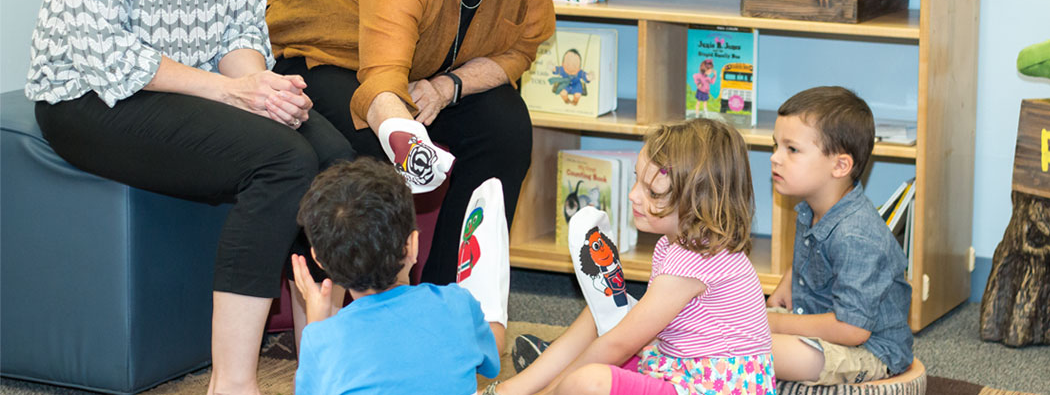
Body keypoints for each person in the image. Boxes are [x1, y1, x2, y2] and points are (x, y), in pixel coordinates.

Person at [23, 0, 352, 392]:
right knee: (282, 162)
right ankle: (232, 383)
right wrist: (231, 92)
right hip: (91, 94)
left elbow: (238, 22)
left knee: (336, 157)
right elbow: (98, 44)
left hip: (198, 86)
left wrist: (257, 84)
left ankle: (325, 367)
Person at [265, 0, 562, 285]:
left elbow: (523, 46)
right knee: (370, 150)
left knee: (506, 127)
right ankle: (384, 307)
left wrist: (448, 88)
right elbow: (382, 79)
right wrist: (405, 140)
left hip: (433, 69)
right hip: (324, 58)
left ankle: (455, 295)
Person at [495, 118, 775, 395]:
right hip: (680, 370)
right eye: (636, 180)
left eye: (653, 192)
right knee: (602, 308)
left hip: (706, 386)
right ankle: (512, 389)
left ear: (699, 200)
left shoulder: (692, 261)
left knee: (588, 381)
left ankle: (546, 384)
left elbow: (618, 345)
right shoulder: (680, 245)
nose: (633, 196)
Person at [291, 157, 504, 393]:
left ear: (319, 260)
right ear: (413, 245)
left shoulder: (322, 340)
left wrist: (316, 324)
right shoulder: (457, 303)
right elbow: (492, 360)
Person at [766, 86, 912, 384]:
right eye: (775, 146)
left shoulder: (856, 235)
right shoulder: (811, 208)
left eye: (791, 149)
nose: (775, 158)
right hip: (824, 326)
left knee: (761, 349)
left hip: (869, 350)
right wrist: (790, 278)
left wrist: (781, 324)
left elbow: (852, 329)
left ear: (841, 165)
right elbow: (819, 256)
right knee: (734, 326)